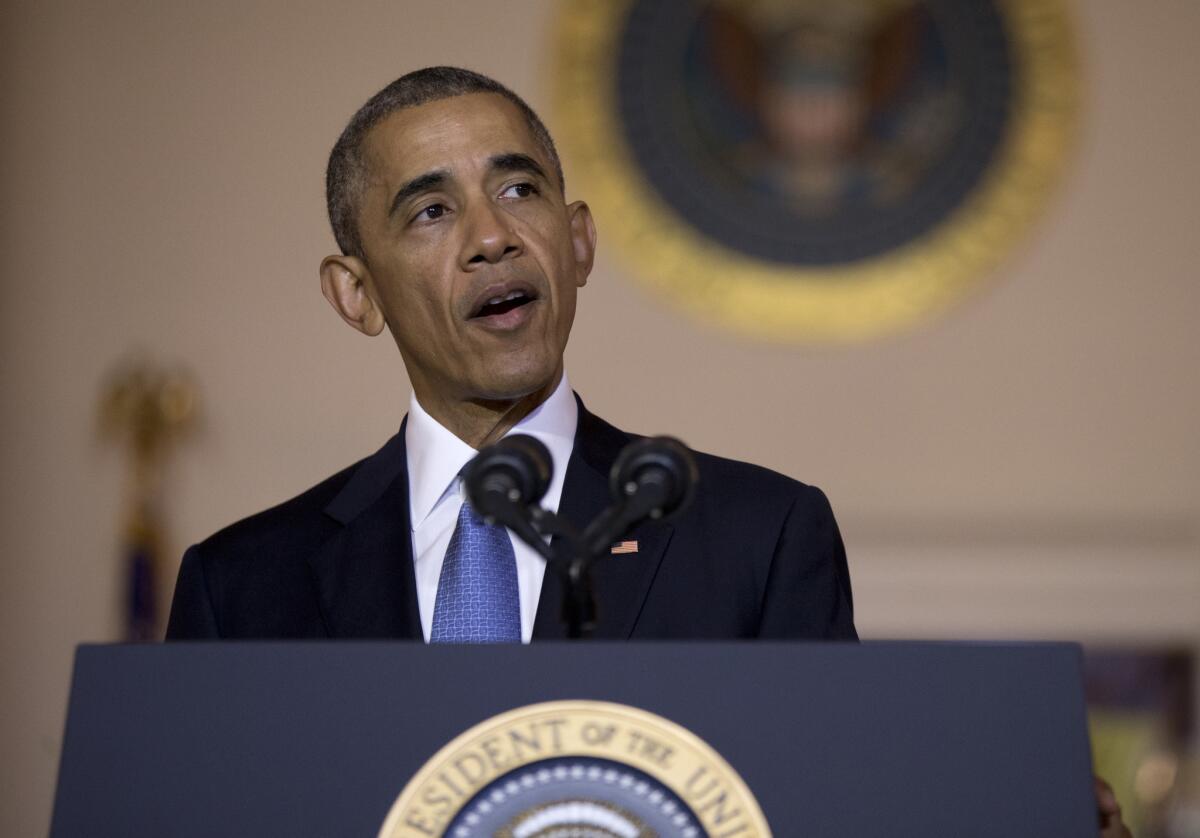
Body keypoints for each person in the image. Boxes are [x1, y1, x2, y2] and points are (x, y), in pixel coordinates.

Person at [164, 66, 1128, 836]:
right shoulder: (244, 586)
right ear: (356, 295)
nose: (492, 237)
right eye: (431, 211)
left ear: (577, 244)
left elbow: (833, 809)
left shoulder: (757, 535)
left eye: (519, 189)